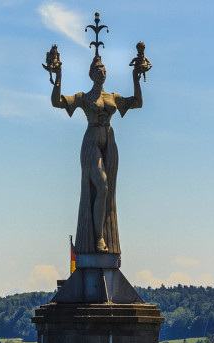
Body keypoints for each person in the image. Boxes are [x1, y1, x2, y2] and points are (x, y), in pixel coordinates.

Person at [48, 49, 146, 255]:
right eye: (98, 69)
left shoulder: (113, 97)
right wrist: (58, 76)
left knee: (108, 191)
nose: (102, 72)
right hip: (91, 142)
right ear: (91, 74)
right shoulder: (84, 97)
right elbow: (57, 102)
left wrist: (135, 77)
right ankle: (99, 239)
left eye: (104, 69)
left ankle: (104, 235)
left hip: (109, 142)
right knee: (101, 186)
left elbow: (137, 102)